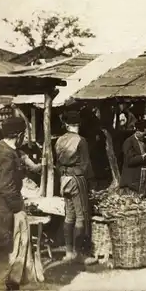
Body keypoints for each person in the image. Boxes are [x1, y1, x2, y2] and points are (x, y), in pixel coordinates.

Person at [0, 117, 28, 290]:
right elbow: (6, 186)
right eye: (23, 135)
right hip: (3, 209)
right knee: (7, 251)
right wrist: (18, 209)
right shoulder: (7, 154)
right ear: (19, 135)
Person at [55, 111, 96, 263]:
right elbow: (86, 165)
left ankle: (69, 252)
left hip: (64, 179)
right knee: (81, 215)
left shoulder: (59, 140)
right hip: (77, 179)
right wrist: (91, 182)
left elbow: (58, 164)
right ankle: (81, 254)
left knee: (69, 215)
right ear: (77, 125)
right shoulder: (81, 140)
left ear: (66, 125)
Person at [120, 120, 146, 194]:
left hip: (143, 178)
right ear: (138, 131)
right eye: (144, 134)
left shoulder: (144, 142)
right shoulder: (129, 142)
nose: (145, 136)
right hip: (132, 179)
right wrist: (144, 155)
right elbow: (129, 160)